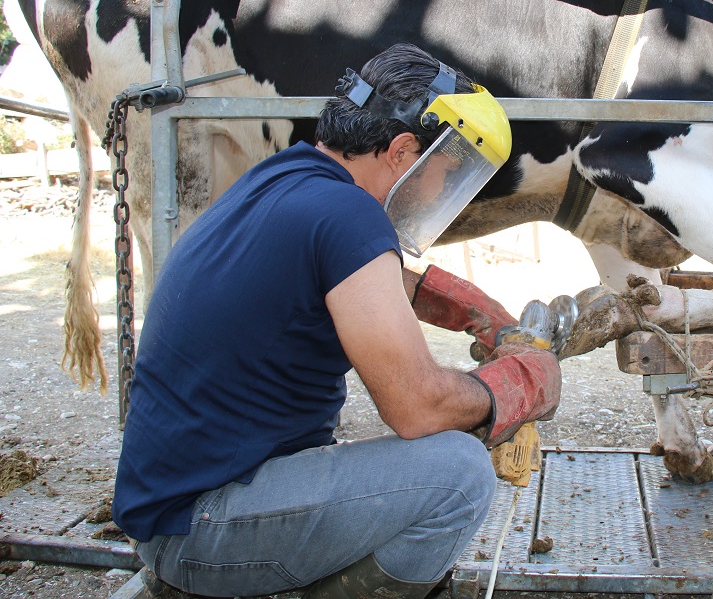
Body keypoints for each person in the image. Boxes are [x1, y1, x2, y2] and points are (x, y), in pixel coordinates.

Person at [112, 43, 563, 599]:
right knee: (458, 474)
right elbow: (418, 406)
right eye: (446, 173)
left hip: (179, 512)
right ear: (402, 151)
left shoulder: (288, 181)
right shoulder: (350, 214)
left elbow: (365, 280)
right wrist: (519, 385)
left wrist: (478, 313)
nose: (443, 193)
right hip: (203, 529)